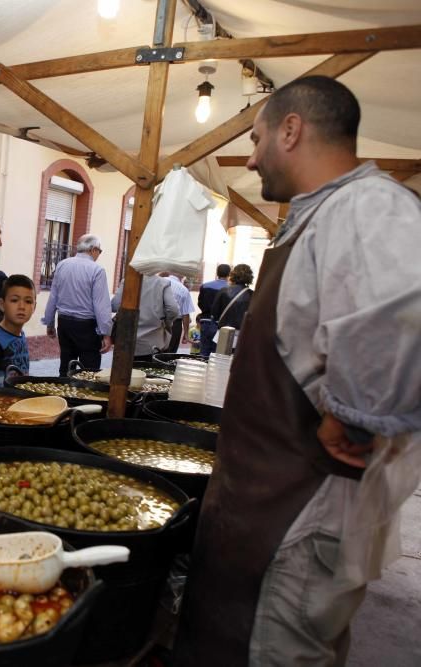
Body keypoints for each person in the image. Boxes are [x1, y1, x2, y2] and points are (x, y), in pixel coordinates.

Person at [176, 76, 421, 665]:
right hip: (260, 496)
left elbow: (404, 317)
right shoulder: (316, 216)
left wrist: (357, 419)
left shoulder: (370, 206)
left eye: (257, 139)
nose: (252, 157)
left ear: (292, 129)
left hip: (302, 507)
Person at [41, 234, 114, 374]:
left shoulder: (62, 265)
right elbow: (101, 305)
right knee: (89, 370)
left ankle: (63, 393)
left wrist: (49, 322)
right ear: (93, 249)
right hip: (87, 326)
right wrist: (106, 333)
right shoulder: (97, 270)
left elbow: (53, 297)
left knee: (66, 366)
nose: (99, 254)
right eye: (99, 251)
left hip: (64, 323)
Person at [110, 275, 179, 357]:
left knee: (123, 369)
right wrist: (167, 323)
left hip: (126, 340)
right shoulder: (163, 283)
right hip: (152, 343)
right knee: (148, 368)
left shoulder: (128, 280)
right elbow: (173, 310)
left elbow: (114, 306)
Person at [197, 263, 230, 356]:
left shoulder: (205, 286)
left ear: (217, 273)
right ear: (229, 274)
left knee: (204, 351)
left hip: (205, 321)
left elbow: (200, 303)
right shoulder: (230, 289)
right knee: (218, 354)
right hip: (221, 325)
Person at [209, 263, 254, 331]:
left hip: (224, 332)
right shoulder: (252, 294)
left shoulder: (224, 291)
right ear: (250, 277)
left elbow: (214, 314)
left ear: (233, 274)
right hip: (243, 334)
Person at [159, 272, 195, 352]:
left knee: (156, 348)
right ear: (182, 275)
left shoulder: (160, 281)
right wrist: (186, 334)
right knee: (170, 351)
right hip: (175, 324)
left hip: (157, 319)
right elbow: (185, 314)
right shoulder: (184, 289)